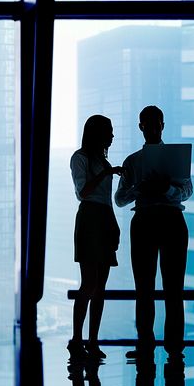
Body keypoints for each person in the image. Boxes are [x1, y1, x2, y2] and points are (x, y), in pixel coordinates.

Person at [114, 106, 193, 358]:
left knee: (171, 288)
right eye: (148, 124)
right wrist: (142, 189)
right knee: (146, 288)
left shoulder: (139, 161)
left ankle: (162, 345)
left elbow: (188, 190)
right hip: (154, 221)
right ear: (141, 127)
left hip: (162, 221)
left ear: (162, 125)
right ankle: (158, 345)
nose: (152, 128)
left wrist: (165, 189)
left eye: (155, 124)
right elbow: (119, 199)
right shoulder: (133, 162)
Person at [69, 116, 122, 361]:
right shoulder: (80, 159)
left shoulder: (101, 161)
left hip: (101, 217)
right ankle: (77, 339)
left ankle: (92, 340)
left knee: (99, 287)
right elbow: (84, 192)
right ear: (97, 134)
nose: (112, 136)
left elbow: (106, 199)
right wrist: (106, 173)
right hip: (90, 218)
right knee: (89, 283)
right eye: (109, 132)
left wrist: (113, 223)